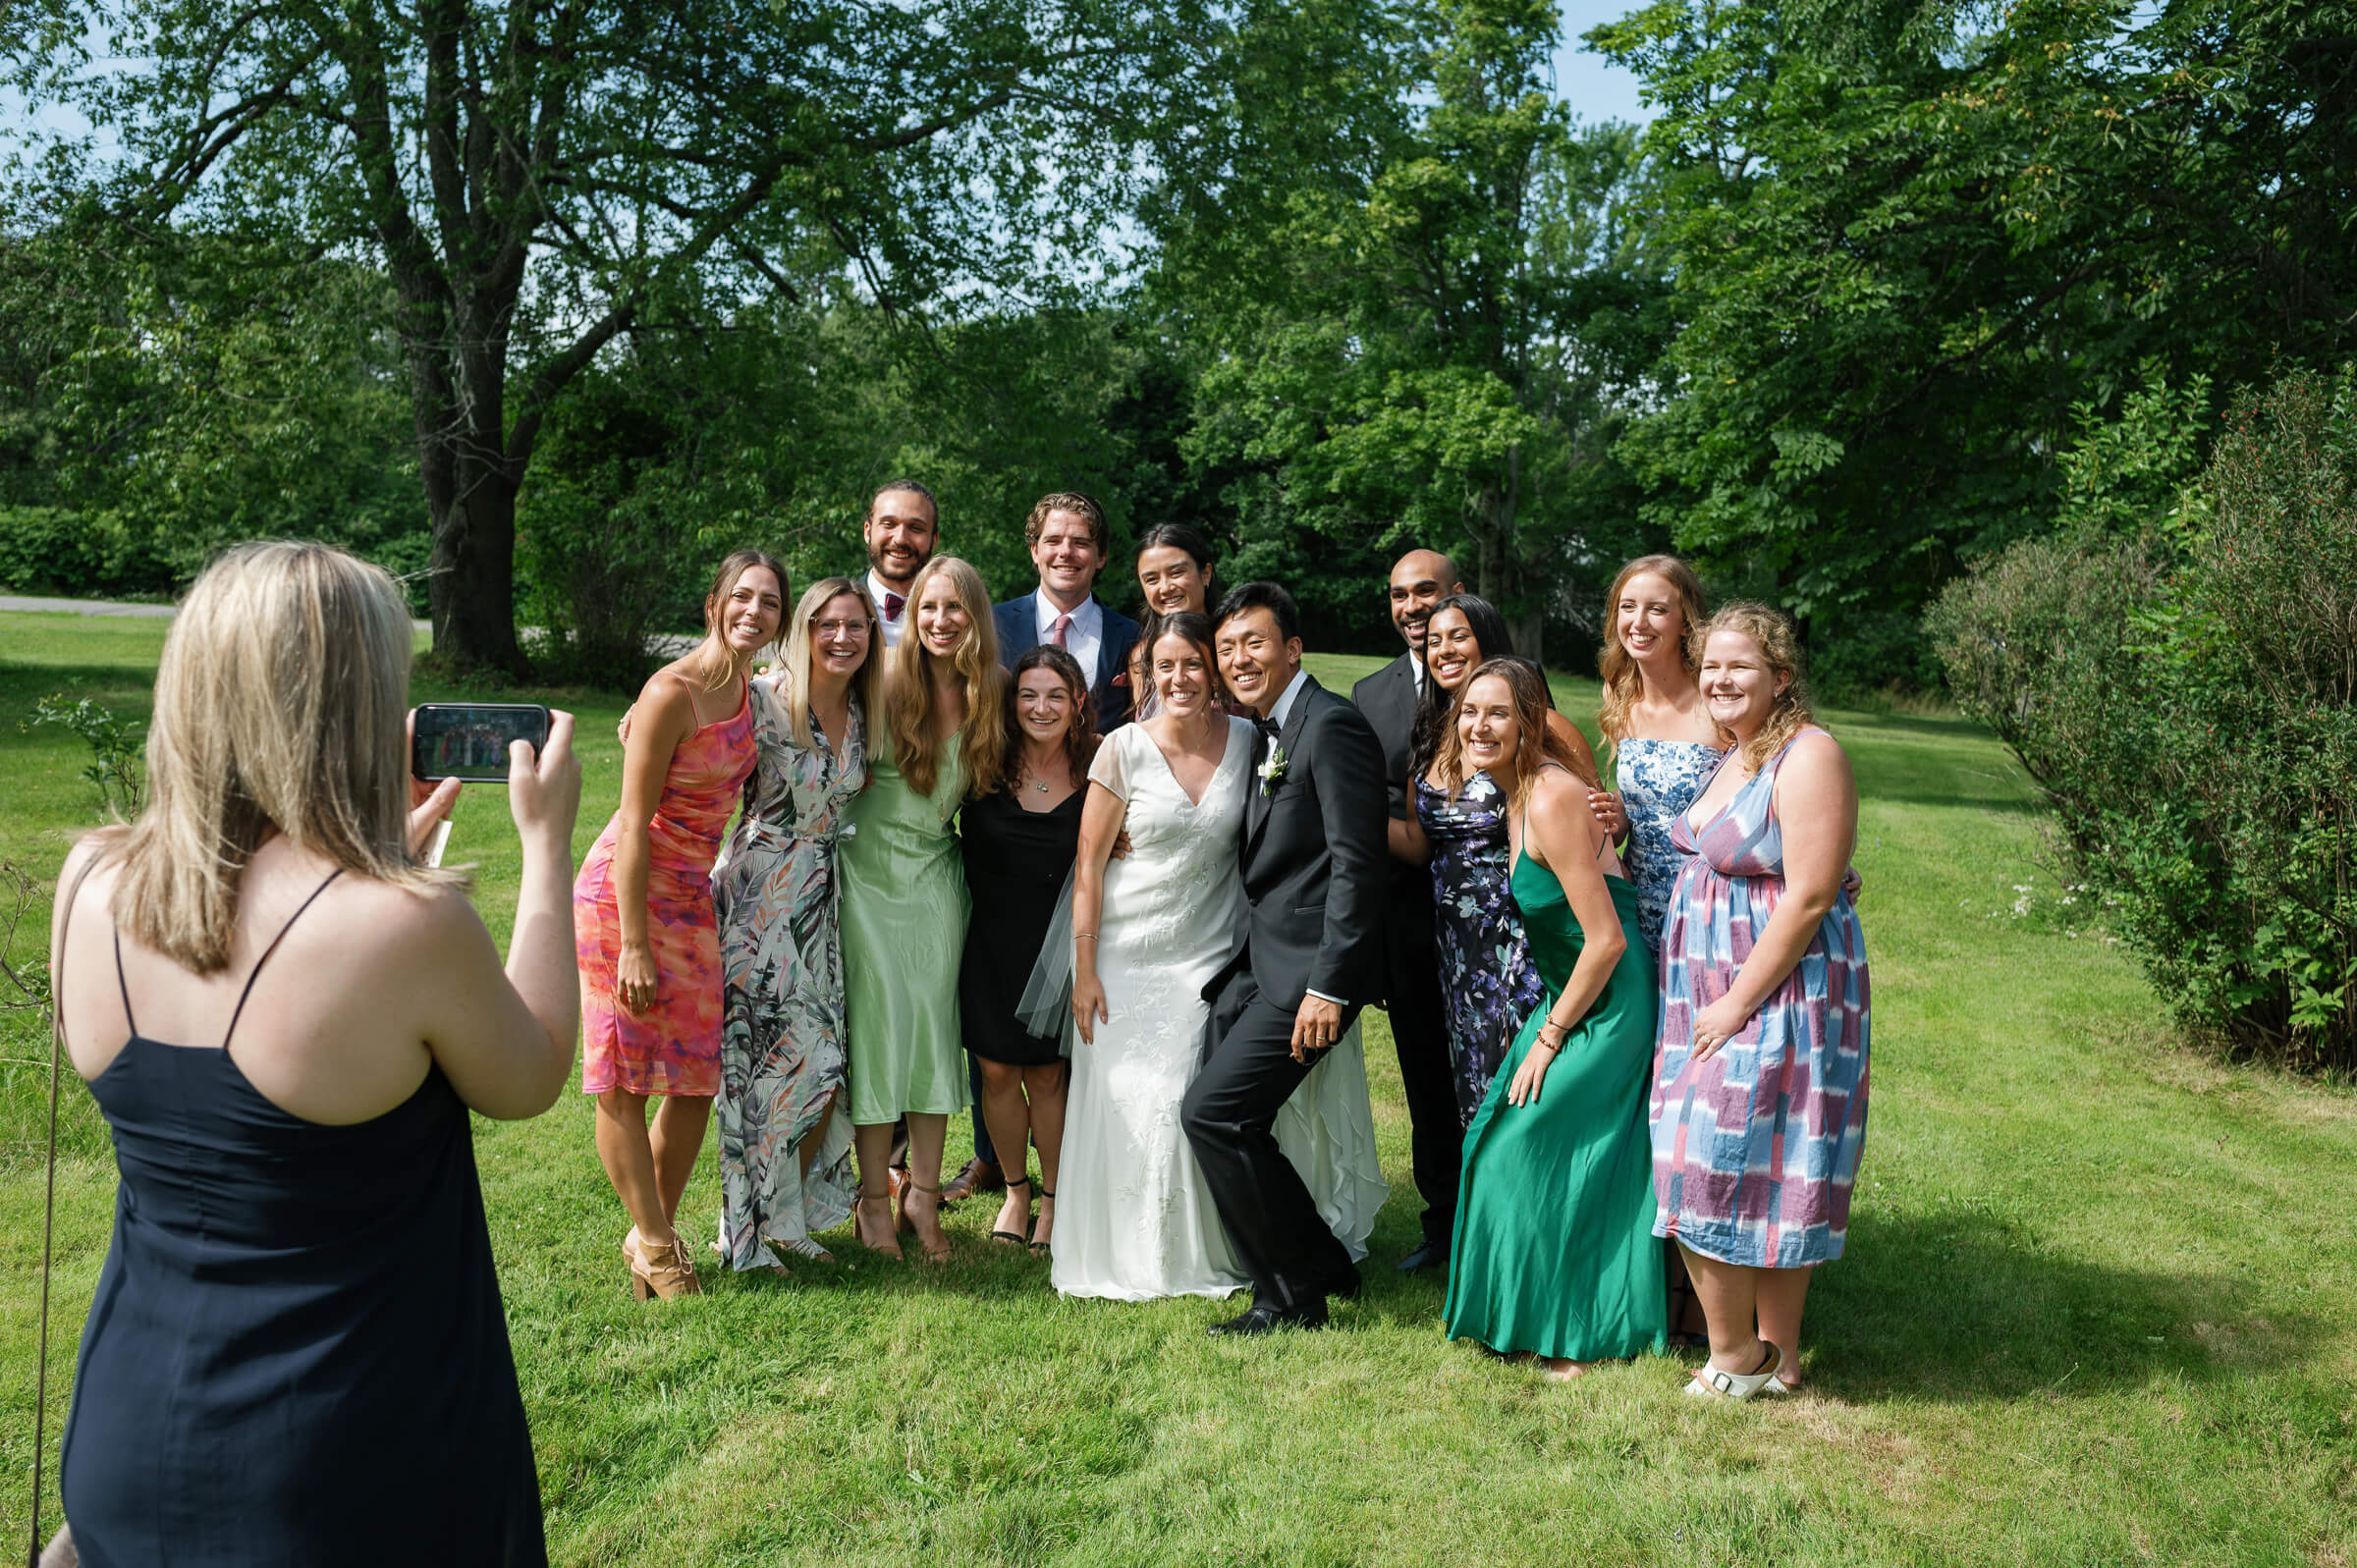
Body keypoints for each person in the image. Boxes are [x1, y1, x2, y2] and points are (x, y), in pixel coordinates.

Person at [47, 541, 578, 1565]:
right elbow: (533, 1070)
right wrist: (546, 848)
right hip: (338, 1464)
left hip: (125, 1431)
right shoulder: (398, 927)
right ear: (348, 701)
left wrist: (372, 868)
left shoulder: (86, 879)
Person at [1056, 612, 1385, 1300]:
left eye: (1192, 664)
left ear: (1213, 673)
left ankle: (1233, 1254)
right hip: (1126, 952)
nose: (1178, 678)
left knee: (1195, 1102)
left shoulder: (1251, 740)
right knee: (1140, 1102)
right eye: (1162, 666)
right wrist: (1083, 968)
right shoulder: (1120, 748)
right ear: (1145, 675)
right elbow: (1088, 863)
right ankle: (1144, 1252)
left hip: (1215, 956)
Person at [1651, 604, 1871, 1400]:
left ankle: (1739, 1352)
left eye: (1739, 665)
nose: (1719, 678)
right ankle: (1775, 1359)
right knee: (1755, 1159)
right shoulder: (1736, 754)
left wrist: (1736, 1003)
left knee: (1707, 1153)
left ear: (1781, 676)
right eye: (1710, 665)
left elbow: (1810, 895)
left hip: (1779, 987)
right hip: (1711, 989)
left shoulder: (1809, 755)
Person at [1439, 661, 1667, 1379]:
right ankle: (1522, 1317)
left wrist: (1549, 1035)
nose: (1480, 725)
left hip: (1612, 1001)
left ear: (1530, 722)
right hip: (1574, 991)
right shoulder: (1513, 795)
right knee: (1493, 1139)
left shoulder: (1550, 798)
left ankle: (1574, 1333)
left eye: (1498, 713)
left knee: (1527, 1144)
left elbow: (1606, 940)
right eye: (1470, 711)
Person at [1183, 582, 1392, 1336]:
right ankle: (1322, 1260)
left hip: (1309, 973)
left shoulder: (1330, 726)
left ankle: (1288, 1296)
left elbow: (1357, 866)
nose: (1240, 659)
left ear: (1293, 647)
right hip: (1258, 963)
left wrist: (1329, 987)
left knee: (1214, 1113)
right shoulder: (1275, 728)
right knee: (1225, 1111)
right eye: (1229, 647)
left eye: (1256, 643)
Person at [576, 550, 783, 1299]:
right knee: (624, 1073)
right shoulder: (671, 691)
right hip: (623, 892)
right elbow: (632, 824)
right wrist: (633, 939)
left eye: (768, 603)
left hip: (693, 890)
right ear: (714, 602)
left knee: (696, 1078)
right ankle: (662, 1248)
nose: (753, 612)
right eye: (742, 597)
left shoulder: (754, 693)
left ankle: (646, 1236)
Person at [709, 575, 881, 1273]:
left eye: (856, 626)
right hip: (758, 890)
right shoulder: (761, 695)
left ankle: (784, 1215)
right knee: (762, 1064)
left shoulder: (865, 710)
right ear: (802, 630)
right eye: (826, 624)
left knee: (820, 1065)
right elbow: (685, 715)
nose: (842, 637)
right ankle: (737, 1232)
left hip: (817, 894)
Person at [840, 555, 1007, 1261]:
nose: (940, 621)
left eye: (954, 608)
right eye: (928, 607)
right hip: (866, 882)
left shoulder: (993, 690)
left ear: (976, 617)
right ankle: (874, 1202)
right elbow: (785, 697)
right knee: (881, 1039)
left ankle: (924, 1197)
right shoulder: (878, 679)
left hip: (939, 882)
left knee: (936, 1038)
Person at [1392, 592, 1596, 1123]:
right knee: (1477, 1090)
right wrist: (1347, 805)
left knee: (1527, 1092)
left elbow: (1594, 826)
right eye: (1434, 641)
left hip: (1520, 936)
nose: (1444, 650)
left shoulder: (1544, 724)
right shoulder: (1438, 731)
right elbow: (1419, 842)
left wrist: (1613, 817)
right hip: (1458, 947)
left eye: (1458, 635)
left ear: (1488, 638)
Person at [1347, 547, 1465, 1274]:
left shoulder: (1503, 674)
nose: (1413, 606)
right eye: (1399, 595)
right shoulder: (1370, 692)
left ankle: (1504, 1218)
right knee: (1426, 1078)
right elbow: (1375, 805)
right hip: (1410, 919)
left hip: (1502, 917)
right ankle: (1444, 1224)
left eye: (1427, 591)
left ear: (1457, 594)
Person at [958, 644, 1094, 1255]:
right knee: (994, 1071)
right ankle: (1015, 1188)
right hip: (987, 939)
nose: (1041, 707)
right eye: (1028, 695)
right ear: (1011, 704)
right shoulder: (982, 763)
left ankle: (1056, 1199)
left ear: (1078, 704)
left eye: (1056, 695)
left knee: (1044, 1074)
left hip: (1058, 944)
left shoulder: (1097, 770)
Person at [1583, 556, 1725, 951]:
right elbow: (1639, 811)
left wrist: (1827, 863)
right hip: (1639, 904)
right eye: (1628, 607)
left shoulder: (1718, 701)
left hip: (1705, 907)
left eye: (1657, 609)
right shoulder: (1620, 696)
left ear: (1686, 622)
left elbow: (1775, 788)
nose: (1639, 622)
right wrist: (1617, 815)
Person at [992, 490, 1143, 735]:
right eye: (1053, 541)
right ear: (1034, 551)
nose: (1065, 552)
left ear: (1101, 556)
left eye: (1080, 542)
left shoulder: (1132, 636)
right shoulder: (991, 625)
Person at [1129, 523, 1219, 719]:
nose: (1165, 588)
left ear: (1205, 574)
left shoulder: (1229, 646)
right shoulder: (1141, 656)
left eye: (1177, 573)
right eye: (1152, 579)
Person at [863, 479, 940, 651]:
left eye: (916, 528)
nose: (900, 539)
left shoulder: (957, 614)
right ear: (868, 532)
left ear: (933, 540)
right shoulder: (831, 612)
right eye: (889, 524)